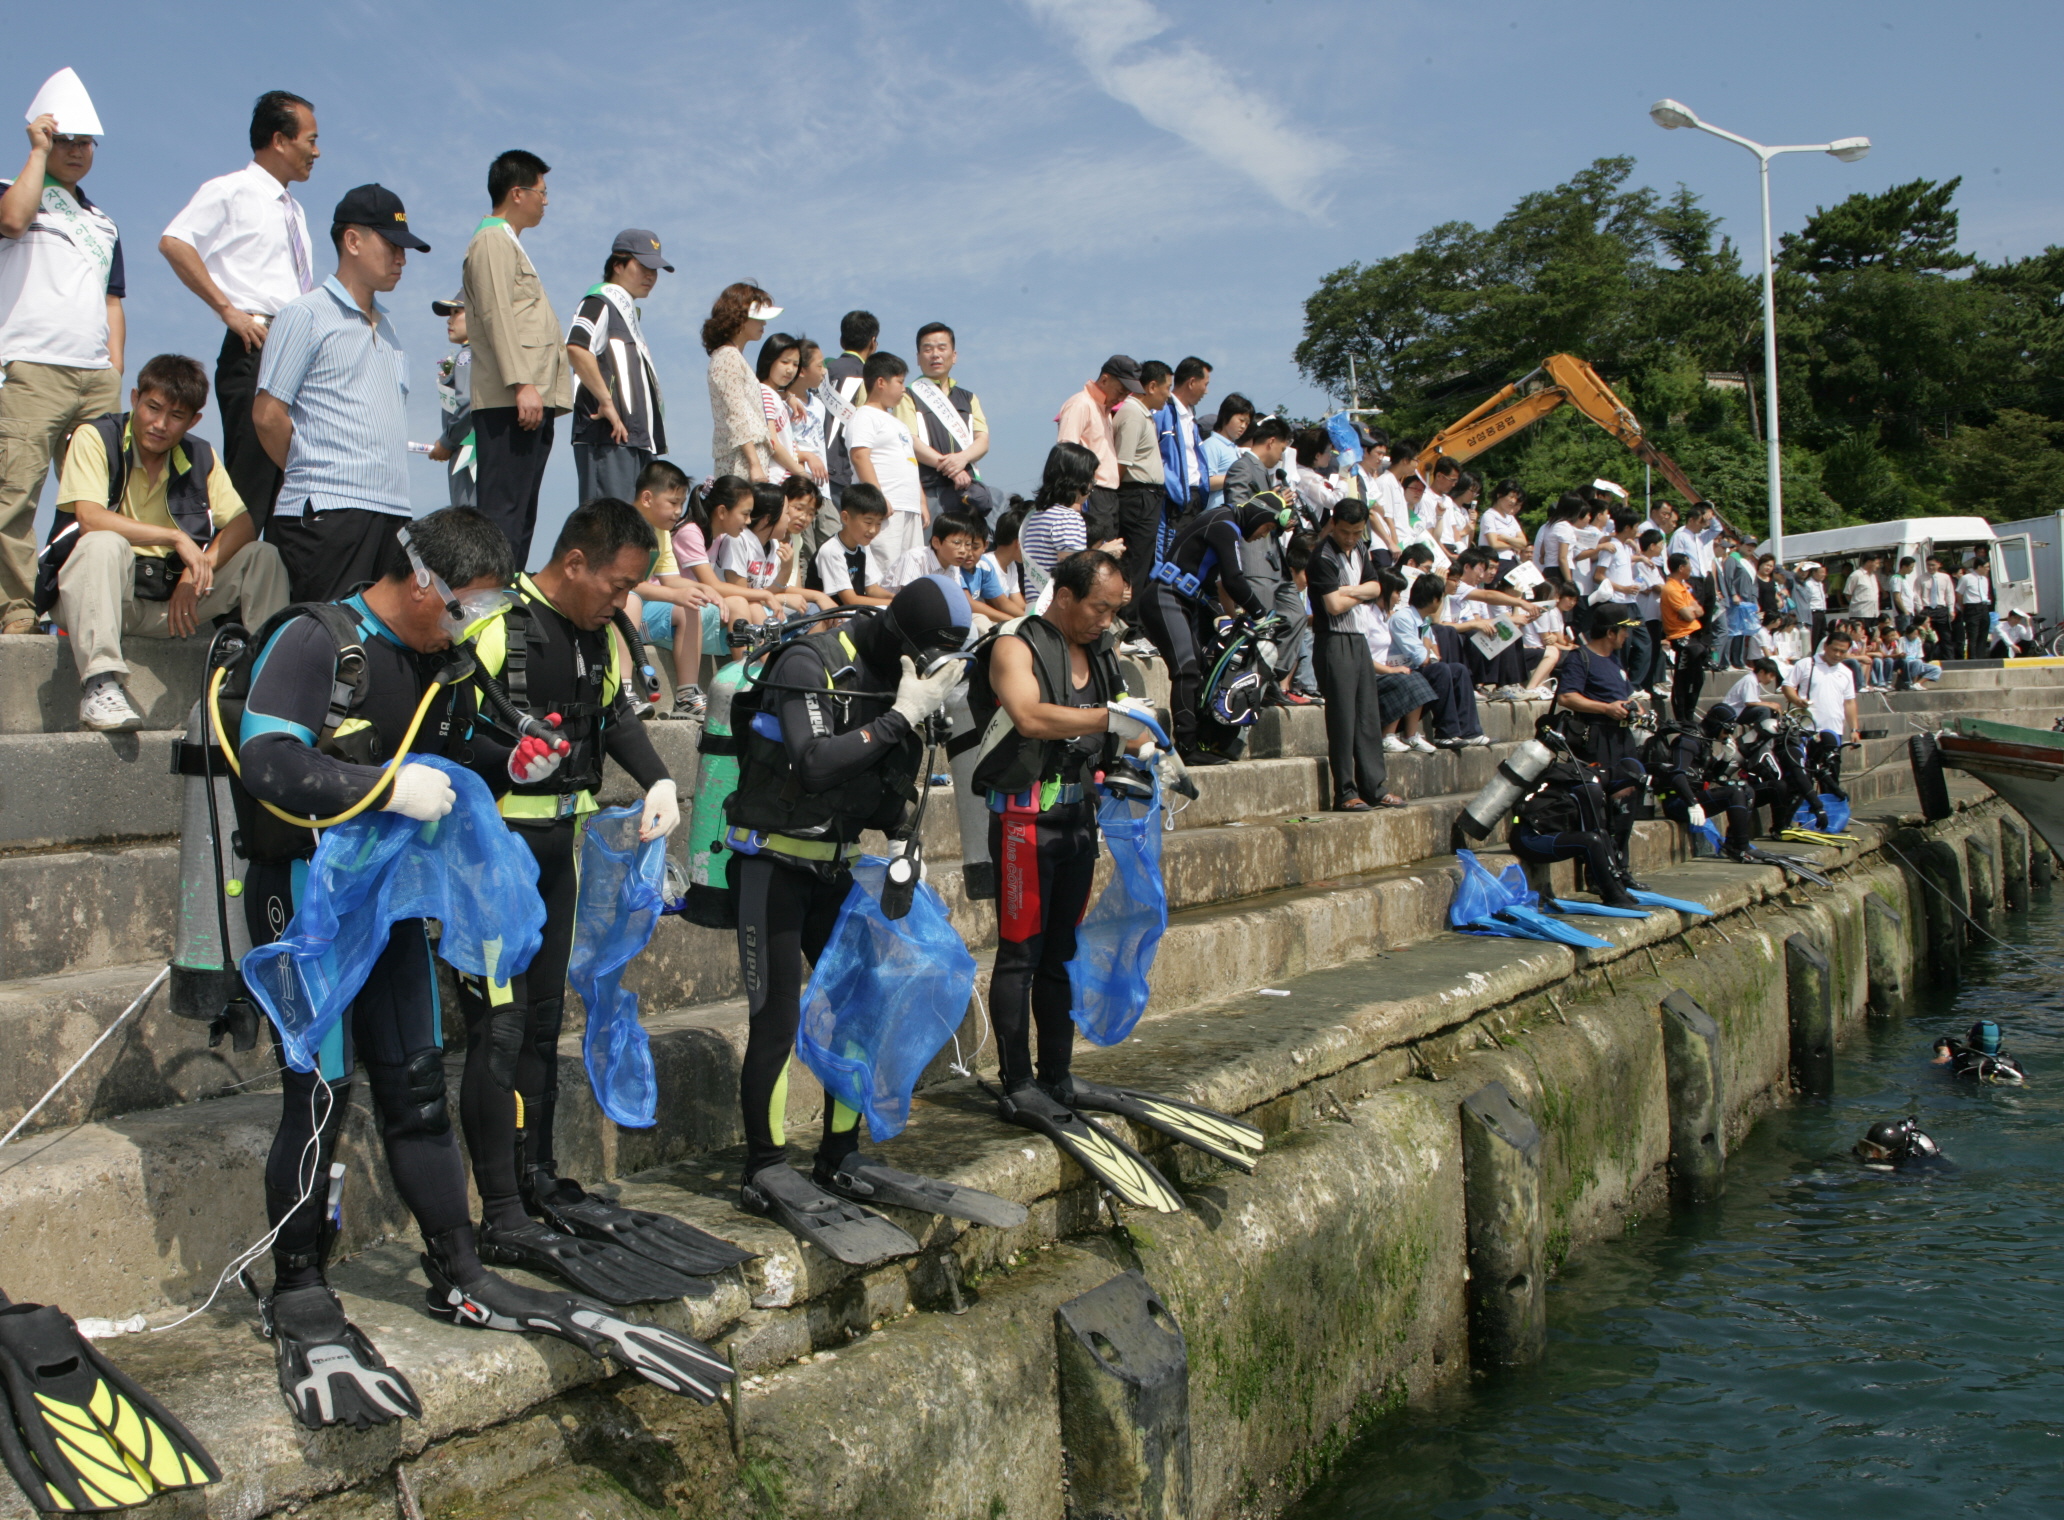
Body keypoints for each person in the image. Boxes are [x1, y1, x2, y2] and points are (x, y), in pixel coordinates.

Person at [227, 506, 727, 1427]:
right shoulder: (315, 640)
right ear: (425, 584)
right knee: (322, 1093)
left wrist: (518, 759)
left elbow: (459, 743)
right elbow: (267, 763)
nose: (466, 631)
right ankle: (297, 1281)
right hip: (304, 896)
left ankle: (457, 1266)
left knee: (416, 1088)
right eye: (463, 611)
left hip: (385, 895)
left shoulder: (435, 658)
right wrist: (380, 787)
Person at [459, 496, 745, 1302]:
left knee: (544, 1021)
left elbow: (615, 718)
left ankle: (538, 1175)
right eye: (617, 587)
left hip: (561, 850)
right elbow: (442, 730)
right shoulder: (495, 624)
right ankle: (501, 1206)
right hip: (493, 859)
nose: (624, 603)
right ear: (574, 563)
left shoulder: (601, 636)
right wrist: (506, 757)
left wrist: (658, 776)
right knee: (499, 1029)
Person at [978, 550, 1244, 1211]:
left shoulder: (1101, 656)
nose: (1107, 620)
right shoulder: (1017, 645)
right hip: (1022, 826)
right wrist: (1109, 719)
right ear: (1064, 596)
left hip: (1074, 823)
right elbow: (1033, 717)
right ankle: (1016, 1082)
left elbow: (1123, 733)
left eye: (1117, 610)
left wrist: (1147, 744)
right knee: (1021, 955)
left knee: (1061, 956)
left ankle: (1057, 1075)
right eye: (1100, 607)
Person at [725, 576, 973, 1260]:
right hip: (770, 867)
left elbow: (881, 785)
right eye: (928, 657)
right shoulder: (811, 663)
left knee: (861, 1005)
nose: (929, 674)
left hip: (832, 866)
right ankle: (765, 1166)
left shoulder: (905, 679)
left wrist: (901, 840)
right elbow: (812, 763)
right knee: (775, 1016)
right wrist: (899, 714)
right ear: (900, 637)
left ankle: (840, 1155)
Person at [52, 353, 289, 730]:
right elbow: (89, 517)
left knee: (262, 556)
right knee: (103, 542)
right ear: (134, 399)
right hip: (101, 598)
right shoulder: (95, 436)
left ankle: (266, 687)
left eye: (176, 416)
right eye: (153, 407)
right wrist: (175, 537)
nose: (160, 424)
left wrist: (195, 575)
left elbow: (243, 523)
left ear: (194, 420)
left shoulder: (200, 454)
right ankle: (100, 684)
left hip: (173, 608)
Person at [253, 184, 427, 603]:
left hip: (391, 514)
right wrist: (314, 467)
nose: (402, 259)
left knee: (380, 653)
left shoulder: (390, 331)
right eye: (392, 245)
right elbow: (267, 415)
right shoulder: (304, 314)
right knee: (325, 646)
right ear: (353, 240)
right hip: (328, 515)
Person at [158, 90, 319, 535]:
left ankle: (280, 600)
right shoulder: (231, 190)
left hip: (296, 351)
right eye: (310, 139)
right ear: (280, 140)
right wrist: (228, 310)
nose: (317, 151)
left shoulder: (295, 211)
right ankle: (224, 599)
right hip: (256, 345)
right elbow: (175, 242)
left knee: (296, 486)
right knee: (250, 487)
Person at [0, 86, 124, 634]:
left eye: (85, 142)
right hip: (32, 367)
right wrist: (34, 153)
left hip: (95, 377)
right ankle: (17, 612)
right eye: (64, 139)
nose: (76, 150)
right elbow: (11, 221)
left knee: (95, 501)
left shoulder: (104, 222)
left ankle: (75, 610)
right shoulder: (14, 191)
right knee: (14, 495)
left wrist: (114, 366)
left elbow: (112, 299)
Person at [460, 150, 567, 565]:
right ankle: (487, 610)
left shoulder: (509, 242)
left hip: (529, 400)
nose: (546, 200)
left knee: (521, 519)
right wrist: (522, 383)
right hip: (511, 400)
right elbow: (497, 315)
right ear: (517, 193)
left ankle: (510, 606)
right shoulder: (490, 240)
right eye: (542, 191)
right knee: (502, 517)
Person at [1137, 490, 1287, 766]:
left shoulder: (1222, 520)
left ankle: (1198, 741)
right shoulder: (1225, 524)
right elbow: (1233, 579)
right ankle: (1185, 747)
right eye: (1267, 528)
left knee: (1200, 668)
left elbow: (1210, 584)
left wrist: (1224, 615)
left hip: (1179, 599)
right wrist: (1260, 613)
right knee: (1187, 669)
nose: (1263, 535)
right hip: (1164, 597)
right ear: (1260, 516)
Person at [1305, 499, 1410, 810]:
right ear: (1333, 524)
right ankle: (1346, 792)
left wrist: (1348, 589)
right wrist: (1359, 591)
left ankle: (1375, 787)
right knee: (1342, 720)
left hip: (1358, 639)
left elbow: (1377, 588)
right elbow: (1333, 606)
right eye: (1346, 532)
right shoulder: (1322, 556)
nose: (1350, 538)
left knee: (1367, 716)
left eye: (1357, 532)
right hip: (1334, 640)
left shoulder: (1361, 549)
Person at [566, 229, 672, 506]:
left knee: (633, 537)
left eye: (656, 269)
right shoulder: (599, 302)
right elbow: (576, 346)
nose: (651, 276)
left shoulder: (627, 314)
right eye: (644, 266)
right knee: (608, 531)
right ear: (618, 265)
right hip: (608, 438)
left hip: (635, 441)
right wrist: (607, 402)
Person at [623, 459, 722, 718]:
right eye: (673, 503)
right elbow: (629, 584)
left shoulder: (661, 530)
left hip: (641, 612)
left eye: (681, 503)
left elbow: (671, 579)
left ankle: (687, 696)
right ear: (647, 498)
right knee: (630, 599)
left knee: (690, 604)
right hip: (617, 611)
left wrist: (703, 590)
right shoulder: (624, 525)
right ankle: (623, 692)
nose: (679, 511)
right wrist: (675, 594)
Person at [895, 321, 992, 524]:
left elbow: (982, 440)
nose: (935, 354)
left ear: (954, 355)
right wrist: (951, 467)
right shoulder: (908, 395)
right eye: (927, 349)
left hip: (967, 489)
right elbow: (909, 441)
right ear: (918, 358)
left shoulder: (968, 398)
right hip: (929, 490)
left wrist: (962, 459)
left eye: (942, 348)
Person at [1390, 572, 1487, 747]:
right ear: (1435, 599)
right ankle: (1445, 732)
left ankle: (1470, 731)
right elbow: (1422, 658)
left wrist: (1427, 646)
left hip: (1418, 667)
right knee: (1441, 670)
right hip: (1403, 671)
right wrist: (1426, 644)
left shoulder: (1424, 620)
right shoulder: (1403, 618)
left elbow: (1435, 654)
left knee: (1458, 669)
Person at [1650, 702, 1757, 860]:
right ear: (1716, 725)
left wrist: (1726, 758)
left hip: (1693, 798)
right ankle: (1741, 847)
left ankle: (1733, 843)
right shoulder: (1690, 740)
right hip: (1678, 802)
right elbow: (1676, 774)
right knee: (1734, 793)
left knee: (1746, 790)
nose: (1728, 734)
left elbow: (1712, 775)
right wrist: (1692, 803)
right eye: (1727, 730)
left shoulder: (1704, 741)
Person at [1552, 603, 1647, 774]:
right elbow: (1566, 697)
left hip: (1623, 737)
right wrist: (1606, 708)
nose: (1626, 635)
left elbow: (1623, 694)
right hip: (1597, 737)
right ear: (1610, 633)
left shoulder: (1614, 660)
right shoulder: (1580, 658)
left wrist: (1634, 707)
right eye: (1623, 629)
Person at [1055, 357, 1141, 539]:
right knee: (1094, 558)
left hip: (1107, 495)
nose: (1121, 398)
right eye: (1120, 392)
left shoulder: (1105, 411)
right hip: (1089, 493)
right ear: (1104, 380)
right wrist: (1075, 500)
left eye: (1126, 395)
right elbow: (1066, 452)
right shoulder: (1080, 403)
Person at [703, 280, 779, 481]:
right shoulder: (728, 356)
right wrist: (754, 465)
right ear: (740, 317)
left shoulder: (733, 357)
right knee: (742, 511)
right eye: (758, 318)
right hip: (741, 460)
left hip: (747, 456)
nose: (764, 324)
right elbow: (735, 414)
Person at [1110, 359, 1171, 609]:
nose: (1169, 394)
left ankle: (1134, 623)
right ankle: (1129, 624)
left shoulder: (1143, 414)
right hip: (1137, 496)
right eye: (1168, 387)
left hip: (1148, 496)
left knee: (1144, 560)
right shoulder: (1133, 413)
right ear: (1153, 386)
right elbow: (1121, 464)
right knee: (1136, 561)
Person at [1020, 442, 1119, 592]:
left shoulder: (1035, 516)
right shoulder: (1068, 518)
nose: (1092, 486)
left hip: (1036, 606)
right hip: (1058, 608)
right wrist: (1104, 554)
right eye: (1091, 480)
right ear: (1079, 481)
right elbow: (1072, 574)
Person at [819, 310, 876, 511]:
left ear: (842, 340)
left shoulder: (821, 371)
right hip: (842, 470)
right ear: (873, 342)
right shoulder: (868, 377)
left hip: (814, 465)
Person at [427, 289, 474, 507]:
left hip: (469, 453)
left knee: (469, 522)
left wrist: (446, 442)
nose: (450, 320)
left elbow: (468, 404)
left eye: (457, 312)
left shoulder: (467, 356)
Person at [813, 483, 893, 608]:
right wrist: (894, 603)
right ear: (845, 518)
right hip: (831, 617)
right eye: (868, 522)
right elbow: (850, 600)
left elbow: (872, 589)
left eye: (878, 523)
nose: (873, 530)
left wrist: (896, 597)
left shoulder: (862, 546)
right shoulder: (831, 550)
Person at [1156, 355, 1212, 520]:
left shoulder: (1190, 416)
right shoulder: (1163, 410)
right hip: (1174, 498)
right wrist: (1170, 486)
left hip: (1194, 496)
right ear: (1192, 382)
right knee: (1172, 545)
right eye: (1206, 384)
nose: (1207, 391)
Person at [1661, 553, 1708, 724]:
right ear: (1681, 568)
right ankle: (1681, 717)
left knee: (1697, 679)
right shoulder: (1671, 589)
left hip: (1694, 636)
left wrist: (1692, 610)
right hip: (1682, 638)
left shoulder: (1683, 587)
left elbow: (1700, 611)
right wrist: (1691, 611)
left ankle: (1690, 714)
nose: (1691, 570)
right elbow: (1689, 615)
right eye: (1689, 566)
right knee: (1683, 679)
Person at [1224, 414, 1291, 509]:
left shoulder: (1260, 469)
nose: (1281, 458)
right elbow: (1237, 508)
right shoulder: (1242, 467)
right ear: (1271, 442)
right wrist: (1275, 502)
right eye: (1282, 450)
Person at [1200, 393, 1251, 513]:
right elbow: (1207, 481)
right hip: (1214, 515)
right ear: (1226, 416)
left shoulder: (1234, 448)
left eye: (1247, 423)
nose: (1243, 426)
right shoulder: (1212, 444)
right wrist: (1237, 478)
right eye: (1241, 420)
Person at [1931, 1020, 2026, 1084]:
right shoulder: (2013, 1064)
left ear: (1972, 1039)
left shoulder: (1963, 1061)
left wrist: (1943, 1053)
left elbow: (1937, 1064)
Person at [979, 504, 1030, 618]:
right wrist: (1032, 619)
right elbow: (1000, 604)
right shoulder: (986, 564)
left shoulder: (1012, 566)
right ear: (1018, 543)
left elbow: (1018, 603)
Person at [1853, 1117, 1947, 1172]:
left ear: (1892, 1153)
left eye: (1876, 1151)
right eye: (1865, 1147)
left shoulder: (1914, 1163)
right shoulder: (1858, 1153)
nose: (1868, 1155)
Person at [1478, 480, 1528, 562]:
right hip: (1496, 560)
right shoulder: (1489, 516)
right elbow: (1494, 544)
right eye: (1511, 497)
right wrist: (1513, 545)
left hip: (1512, 560)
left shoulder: (1511, 518)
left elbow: (1523, 543)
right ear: (1499, 495)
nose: (1513, 501)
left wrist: (1505, 538)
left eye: (1515, 498)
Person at [1956, 555, 1992, 660]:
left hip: (1984, 606)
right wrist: (1963, 608)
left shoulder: (1985, 579)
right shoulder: (1966, 578)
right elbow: (1959, 594)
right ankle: (1972, 658)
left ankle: (1980, 657)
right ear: (1979, 567)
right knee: (1973, 634)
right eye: (1986, 567)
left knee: (1983, 633)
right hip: (1972, 607)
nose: (1988, 569)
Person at [1920, 554, 1954, 654]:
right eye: (1928, 565)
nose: (1930, 567)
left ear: (1939, 565)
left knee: (1945, 636)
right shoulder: (1921, 578)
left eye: (1933, 565)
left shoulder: (1945, 577)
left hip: (1941, 608)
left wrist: (1951, 610)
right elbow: (1917, 595)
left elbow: (1949, 594)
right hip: (1927, 609)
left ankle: (1948, 660)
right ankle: (1928, 657)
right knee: (1927, 636)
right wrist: (1920, 610)